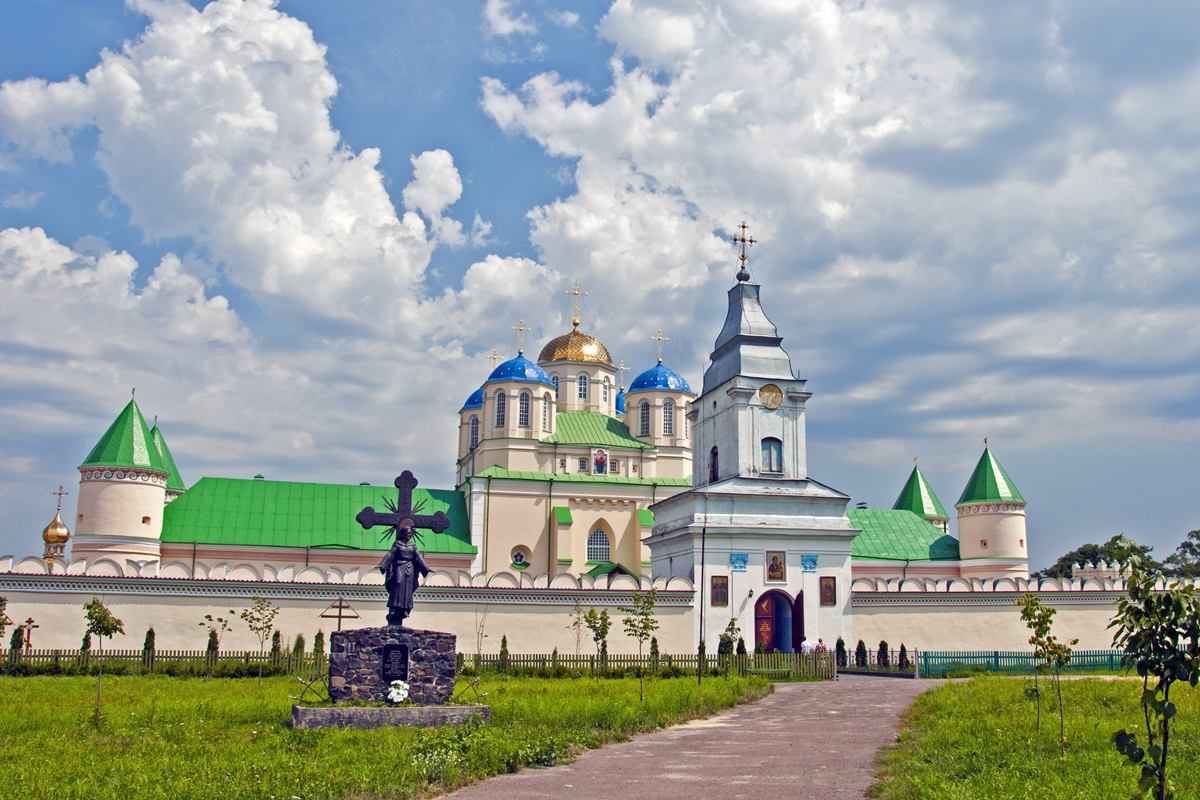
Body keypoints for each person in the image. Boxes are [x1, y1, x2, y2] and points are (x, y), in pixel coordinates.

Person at [378, 521, 430, 626]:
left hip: (409, 570)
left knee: (407, 590)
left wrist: (425, 568)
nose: (409, 535)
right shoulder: (397, 544)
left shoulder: (412, 545)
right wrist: (383, 564)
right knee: (396, 585)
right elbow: (390, 554)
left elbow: (418, 558)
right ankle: (393, 608)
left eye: (410, 533)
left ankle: (404, 610)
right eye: (407, 533)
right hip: (398, 567)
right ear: (403, 533)